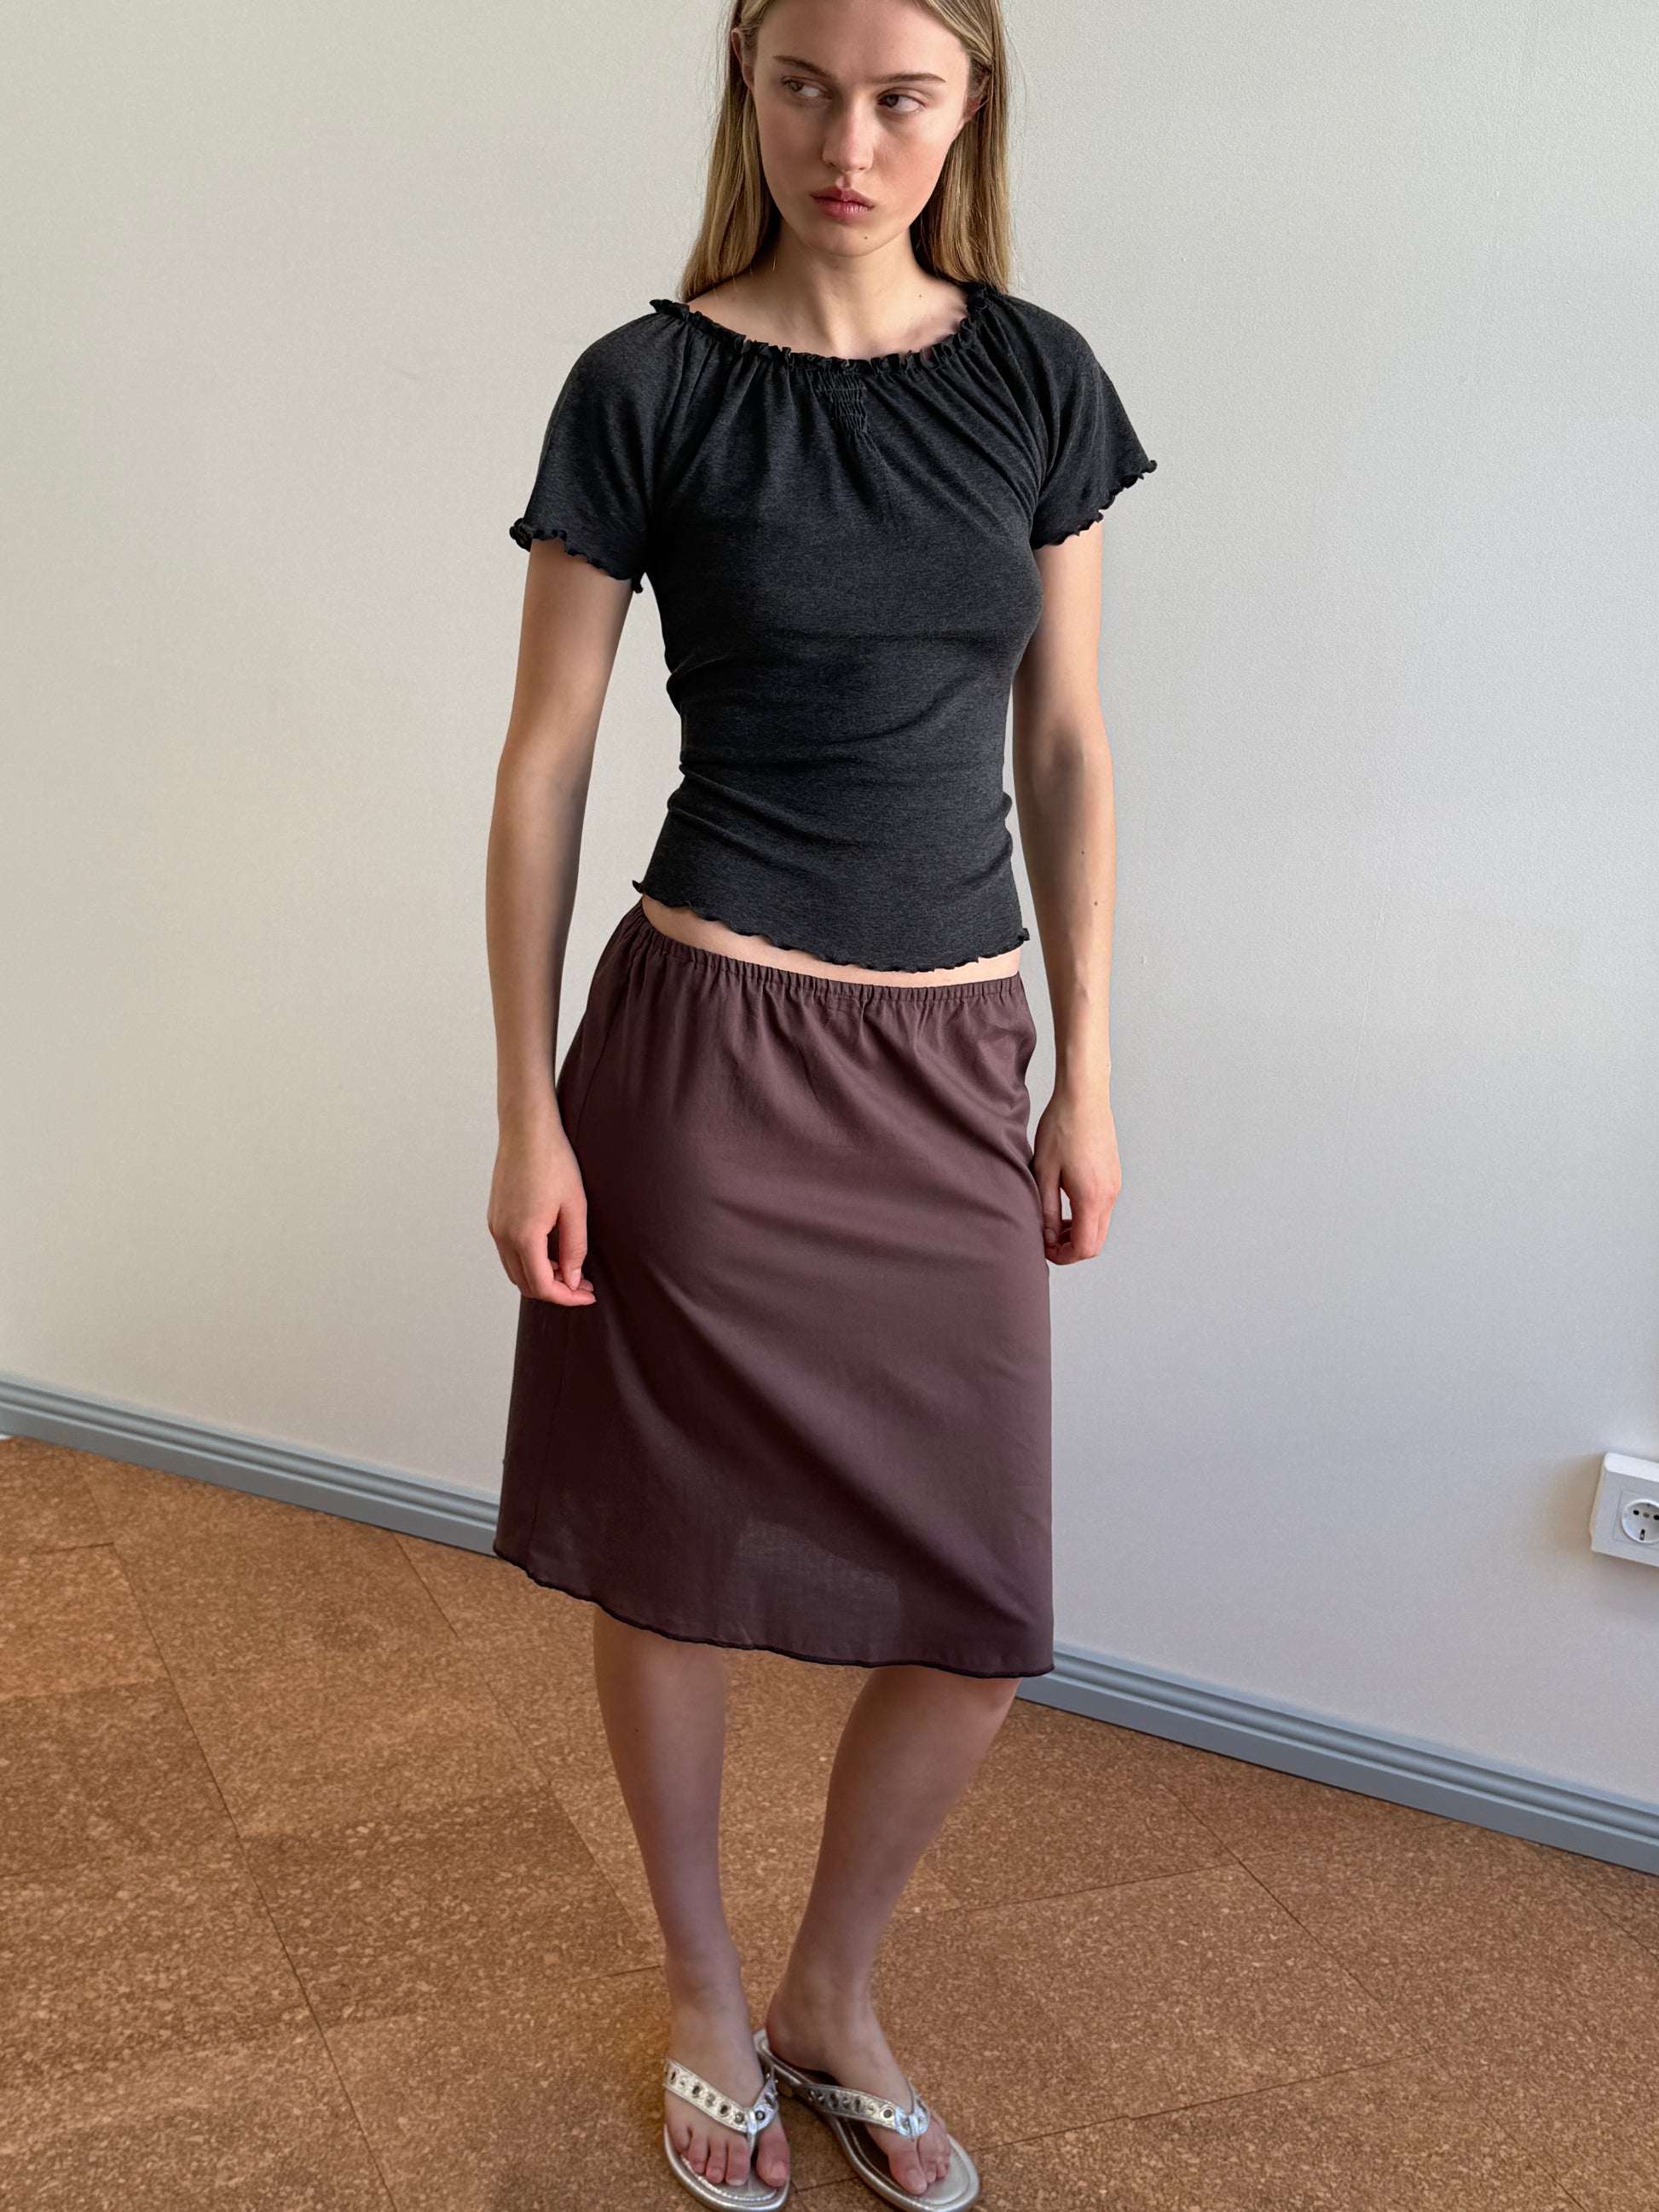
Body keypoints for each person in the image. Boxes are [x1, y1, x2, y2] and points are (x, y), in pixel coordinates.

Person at [483, 1, 1155, 2204]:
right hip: (704, 1057)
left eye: (897, 95)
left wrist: (1086, 1065)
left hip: (953, 1063)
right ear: (743, 90)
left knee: (978, 1605)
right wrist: (524, 1103)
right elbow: (546, 763)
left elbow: (1063, 745)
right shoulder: (648, 385)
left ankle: (829, 1996)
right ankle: (701, 1986)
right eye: (798, 86)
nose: (842, 137)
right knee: (671, 1564)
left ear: (967, 107)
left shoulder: (1035, 379)